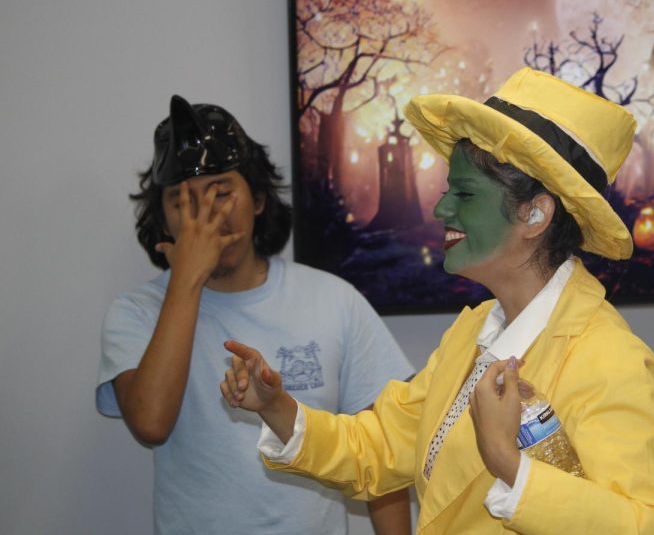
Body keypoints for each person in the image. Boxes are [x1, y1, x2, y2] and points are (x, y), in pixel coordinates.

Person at [221, 68, 654, 533]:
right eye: (448, 190)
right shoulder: (475, 332)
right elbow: (381, 446)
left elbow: (650, 527)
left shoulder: (608, 358)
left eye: (463, 193)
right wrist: (276, 406)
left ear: (535, 213)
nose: (442, 208)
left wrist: (508, 463)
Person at [96, 95, 415, 535]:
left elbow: (383, 451)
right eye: (182, 200)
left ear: (259, 199)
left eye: (221, 192)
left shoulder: (334, 300)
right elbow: (150, 424)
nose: (205, 217)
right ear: (163, 219)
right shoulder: (137, 312)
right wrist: (187, 279)